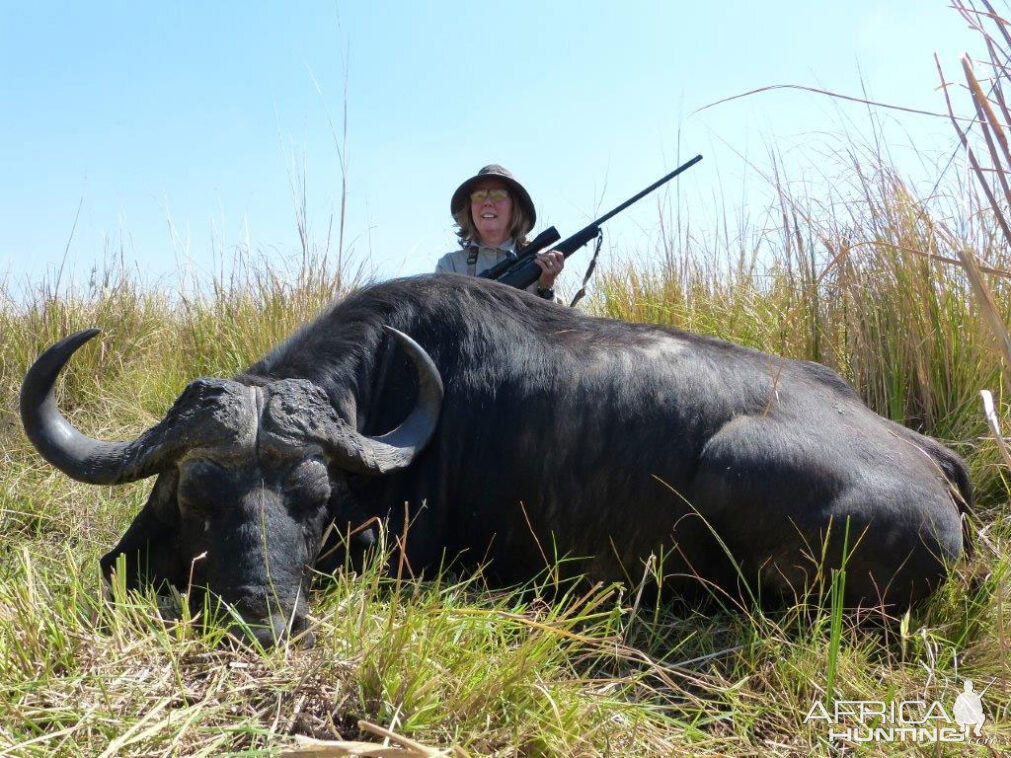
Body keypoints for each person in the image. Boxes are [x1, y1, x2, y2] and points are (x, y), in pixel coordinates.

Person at [435, 165, 563, 300]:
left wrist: (546, 288)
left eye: (498, 195)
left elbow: (556, 320)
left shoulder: (542, 264)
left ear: (514, 207)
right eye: (479, 195)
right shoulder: (450, 266)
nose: (488, 202)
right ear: (470, 208)